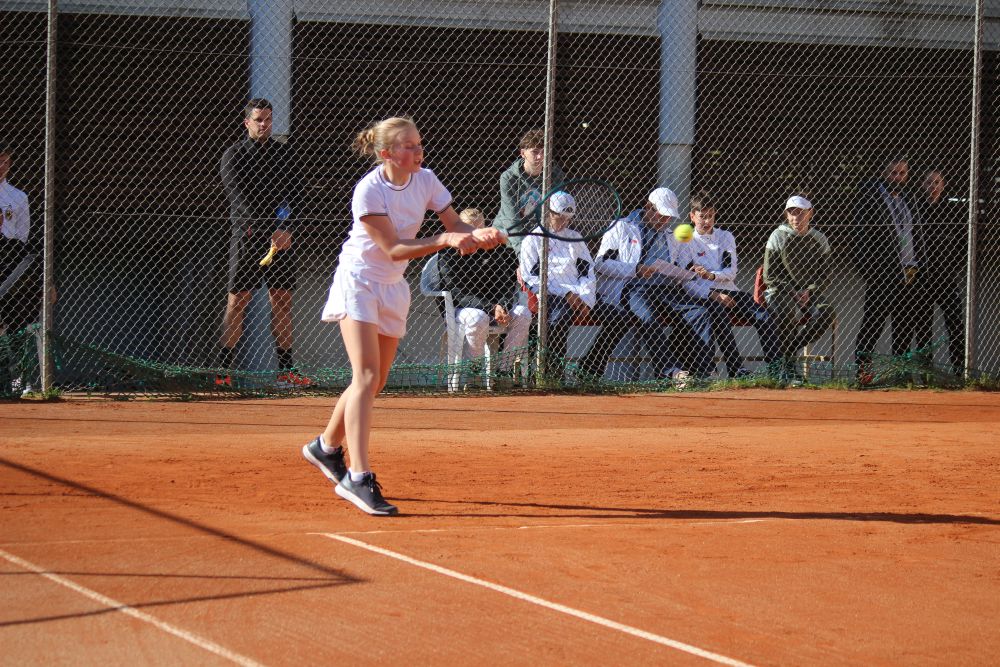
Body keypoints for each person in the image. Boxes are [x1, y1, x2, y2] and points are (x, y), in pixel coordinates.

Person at [303, 117, 503, 515]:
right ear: (386, 154)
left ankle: (325, 447)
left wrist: (476, 234)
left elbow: (454, 223)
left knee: (374, 382)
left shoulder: (426, 180)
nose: (418, 151)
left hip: (393, 286)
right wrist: (446, 239)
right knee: (366, 377)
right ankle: (357, 477)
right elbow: (394, 248)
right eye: (408, 146)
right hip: (359, 280)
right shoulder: (369, 190)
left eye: (419, 143)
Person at [217, 98, 307, 388]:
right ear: (247, 122)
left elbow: (298, 195)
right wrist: (268, 230)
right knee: (238, 301)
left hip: (281, 240)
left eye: (268, 119)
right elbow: (237, 198)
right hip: (248, 237)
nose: (264, 124)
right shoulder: (234, 155)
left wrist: (286, 229)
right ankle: (222, 374)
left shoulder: (286, 154)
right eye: (258, 119)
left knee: (282, 300)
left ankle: (286, 372)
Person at [679, 191, 781, 378]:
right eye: (702, 216)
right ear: (692, 216)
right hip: (706, 295)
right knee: (719, 314)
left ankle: (777, 370)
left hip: (730, 291)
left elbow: (731, 272)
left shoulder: (726, 237)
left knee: (763, 316)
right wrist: (714, 293)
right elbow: (687, 280)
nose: (707, 221)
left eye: (711, 216)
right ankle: (735, 370)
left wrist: (710, 275)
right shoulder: (686, 241)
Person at [619, 188, 716, 381]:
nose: (666, 220)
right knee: (648, 317)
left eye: (669, 216)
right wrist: (636, 269)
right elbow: (601, 263)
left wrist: (688, 270)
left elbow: (679, 265)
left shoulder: (671, 235)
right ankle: (671, 371)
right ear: (648, 207)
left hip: (666, 288)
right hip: (635, 287)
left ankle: (706, 373)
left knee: (699, 313)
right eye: (662, 215)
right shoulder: (622, 227)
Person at [851, 157, 925, 382]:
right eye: (893, 173)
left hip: (909, 271)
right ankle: (863, 374)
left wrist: (920, 264)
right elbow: (860, 237)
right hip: (883, 272)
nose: (898, 178)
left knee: (904, 325)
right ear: (884, 173)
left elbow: (915, 234)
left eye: (902, 173)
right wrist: (869, 272)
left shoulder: (909, 198)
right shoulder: (870, 198)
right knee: (873, 324)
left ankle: (900, 375)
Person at [438, 208, 531, 384]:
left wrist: (502, 305)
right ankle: (475, 371)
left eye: (479, 229)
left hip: (495, 307)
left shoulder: (494, 249)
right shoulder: (448, 252)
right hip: (462, 308)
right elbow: (457, 292)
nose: (476, 235)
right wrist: (491, 307)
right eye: (470, 230)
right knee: (478, 317)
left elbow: (505, 282)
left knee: (523, 314)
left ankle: (503, 372)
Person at [519, 191, 595, 383]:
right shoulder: (533, 239)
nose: (564, 222)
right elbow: (530, 278)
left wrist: (586, 300)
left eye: (568, 218)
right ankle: (551, 373)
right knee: (560, 315)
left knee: (617, 315)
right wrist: (566, 293)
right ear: (547, 212)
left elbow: (587, 271)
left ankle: (590, 370)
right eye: (559, 217)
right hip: (548, 295)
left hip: (578, 295)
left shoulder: (575, 238)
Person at [762, 195, 836, 377]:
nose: (795, 217)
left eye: (800, 213)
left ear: (810, 213)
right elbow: (769, 276)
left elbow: (826, 275)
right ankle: (786, 369)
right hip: (781, 291)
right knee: (786, 310)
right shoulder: (778, 235)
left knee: (827, 312)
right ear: (786, 215)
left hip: (809, 292)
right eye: (791, 213)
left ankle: (789, 350)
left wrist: (809, 291)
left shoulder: (819, 238)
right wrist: (792, 291)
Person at [0, 145, 44, 395]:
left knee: (15, 325)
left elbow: (22, 234)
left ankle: (19, 385)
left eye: (6, 162)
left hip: (8, 257)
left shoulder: (17, 197)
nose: (1, 167)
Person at [915, 169, 965, 374]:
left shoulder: (952, 211)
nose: (933, 187)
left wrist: (952, 266)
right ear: (922, 185)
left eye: (937, 183)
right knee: (923, 327)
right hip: (923, 278)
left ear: (943, 185)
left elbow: (963, 243)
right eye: (929, 183)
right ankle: (926, 372)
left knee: (956, 323)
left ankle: (959, 371)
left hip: (946, 277)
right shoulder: (916, 209)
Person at [493, 129, 565, 256]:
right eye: (535, 152)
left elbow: (556, 212)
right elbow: (511, 218)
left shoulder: (556, 175)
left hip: (538, 239)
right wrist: (522, 254)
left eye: (544, 152)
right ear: (523, 153)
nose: (540, 157)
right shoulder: (509, 178)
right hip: (508, 238)